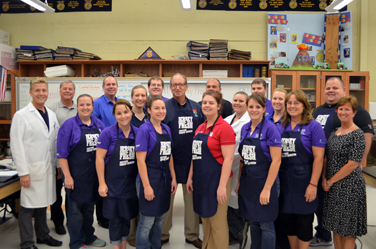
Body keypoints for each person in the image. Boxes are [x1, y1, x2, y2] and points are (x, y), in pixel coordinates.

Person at [311, 77, 373, 247]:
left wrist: (359, 162)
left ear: (344, 90)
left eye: (335, 88)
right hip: (329, 180)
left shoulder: (358, 124)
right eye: (328, 87)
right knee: (335, 224)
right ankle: (323, 236)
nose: (330, 90)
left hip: (348, 184)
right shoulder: (328, 123)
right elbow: (326, 154)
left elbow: (355, 159)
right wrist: (324, 177)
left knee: (347, 227)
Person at [10, 77, 63, 249]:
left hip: (48, 167)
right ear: (30, 92)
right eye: (37, 90)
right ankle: (27, 242)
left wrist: (58, 166)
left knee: (42, 202)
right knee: (27, 206)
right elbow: (16, 145)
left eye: (44, 90)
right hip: (31, 170)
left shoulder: (52, 114)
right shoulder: (21, 116)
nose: (41, 93)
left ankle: (43, 235)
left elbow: (54, 142)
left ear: (48, 93)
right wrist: (23, 172)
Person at [277, 90, 326, 249]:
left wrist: (313, 184)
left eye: (296, 103)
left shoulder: (314, 126)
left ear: (305, 106)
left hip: (305, 179)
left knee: (304, 222)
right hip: (284, 179)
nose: (292, 106)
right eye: (289, 103)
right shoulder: (280, 126)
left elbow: (319, 158)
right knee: (288, 221)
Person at [187, 91, 236, 249]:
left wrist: (222, 186)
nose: (206, 106)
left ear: (219, 106)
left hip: (218, 180)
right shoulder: (200, 127)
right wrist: (190, 178)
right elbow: (195, 155)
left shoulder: (224, 128)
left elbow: (228, 159)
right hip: (201, 180)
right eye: (204, 103)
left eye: (211, 103)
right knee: (206, 218)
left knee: (217, 221)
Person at [57, 94, 106, 249]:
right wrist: (68, 177)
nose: (85, 108)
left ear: (93, 107)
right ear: (77, 106)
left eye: (88, 105)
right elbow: (62, 154)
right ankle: (77, 242)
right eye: (82, 105)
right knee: (75, 211)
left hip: (93, 176)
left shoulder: (99, 124)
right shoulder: (68, 125)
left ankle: (89, 236)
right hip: (75, 176)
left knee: (89, 209)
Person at [162, 73, 204, 248]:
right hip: (168, 161)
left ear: (186, 86)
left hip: (191, 162)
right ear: (170, 87)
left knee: (191, 201)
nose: (177, 87)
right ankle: (163, 234)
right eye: (174, 84)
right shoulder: (163, 107)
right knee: (166, 201)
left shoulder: (197, 107)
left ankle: (192, 234)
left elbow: (202, 132)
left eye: (181, 84)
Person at [236, 94, 281, 249]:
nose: (254, 110)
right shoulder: (245, 128)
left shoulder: (271, 129)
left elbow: (276, 161)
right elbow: (243, 159)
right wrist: (239, 183)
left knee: (266, 224)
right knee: (253, 221)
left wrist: (267, 189)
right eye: (251, 106)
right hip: (249, 182)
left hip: (265, 181)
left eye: (258, 107)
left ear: (264, 109)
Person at [322, 96, 367, 249]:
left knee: (348, 230)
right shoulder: (335, 132)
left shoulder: (358, 134)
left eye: (347, 109)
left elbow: (352, 164)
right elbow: (326, 157)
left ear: (354, 112)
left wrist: (331, 180)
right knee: (336, 227)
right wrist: (323, 179)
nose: (343, 112)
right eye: (340, 109)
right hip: (333, 187)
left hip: (350, 187)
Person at [135, 97, 177, 249]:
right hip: (149, 178)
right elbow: (140, 161)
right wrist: (146, 186)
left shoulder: (166, 129)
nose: (161, 111)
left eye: (163, 108)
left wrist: (173, 177)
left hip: (164, 178)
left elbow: (169, 154)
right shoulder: (144, 130)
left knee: (160, 218)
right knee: (147, 221)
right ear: (149, 110)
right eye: (157, 108)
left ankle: (155, 246)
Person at [96, 99, 139, 249]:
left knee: (127, 217)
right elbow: (100, 159)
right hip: (112, 184)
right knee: (115, 219)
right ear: (114, 115)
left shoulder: (138, 132)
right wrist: (102, 183)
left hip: (130, 184)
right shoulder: (107, 133)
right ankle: (116, 247)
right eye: (119, 113)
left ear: (131, 112)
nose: (123, 116)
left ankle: (123, 245)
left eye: (126, 112)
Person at [47, 80, 77, 235]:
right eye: (64, 88)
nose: (67, 91)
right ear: (59, 91)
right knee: (57, 193)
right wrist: (57, 163)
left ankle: (71, 221)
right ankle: (58, 222)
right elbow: (51, 138)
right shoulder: (51, 110)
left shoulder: (80, 109)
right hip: (58, 159)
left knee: (71, 192)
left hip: (75, 161)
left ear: (74, 91)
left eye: (70, 89)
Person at [223, 91, 250, 246]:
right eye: (235, 100)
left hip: (240, 164)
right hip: (227, 165)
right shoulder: (227, 119)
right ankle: (233, 232)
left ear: (246, 104)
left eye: (241, 101)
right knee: (229, 200)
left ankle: (238, 233)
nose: (237, 103)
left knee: (237, 200)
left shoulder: (248, 121)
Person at [92, 75, 119, 228]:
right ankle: (103, 219)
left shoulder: (121, 102)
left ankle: (114, 213)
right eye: (108, 84)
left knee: (114, 185)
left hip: (120, 150)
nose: (111, 87)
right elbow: (95, 125)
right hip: (105, 150)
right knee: (103, 184)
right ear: (103, 87)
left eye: (113, 84)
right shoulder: (97, 104)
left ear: (117, 86)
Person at [266, 88, 290, 249]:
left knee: (284, 210)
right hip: (269, 171)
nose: (277, 101)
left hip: (286, 170)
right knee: (271, 210)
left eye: (281, 99)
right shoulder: (266, 119)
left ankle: (282, 244)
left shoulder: (290, 120)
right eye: (275, 98)